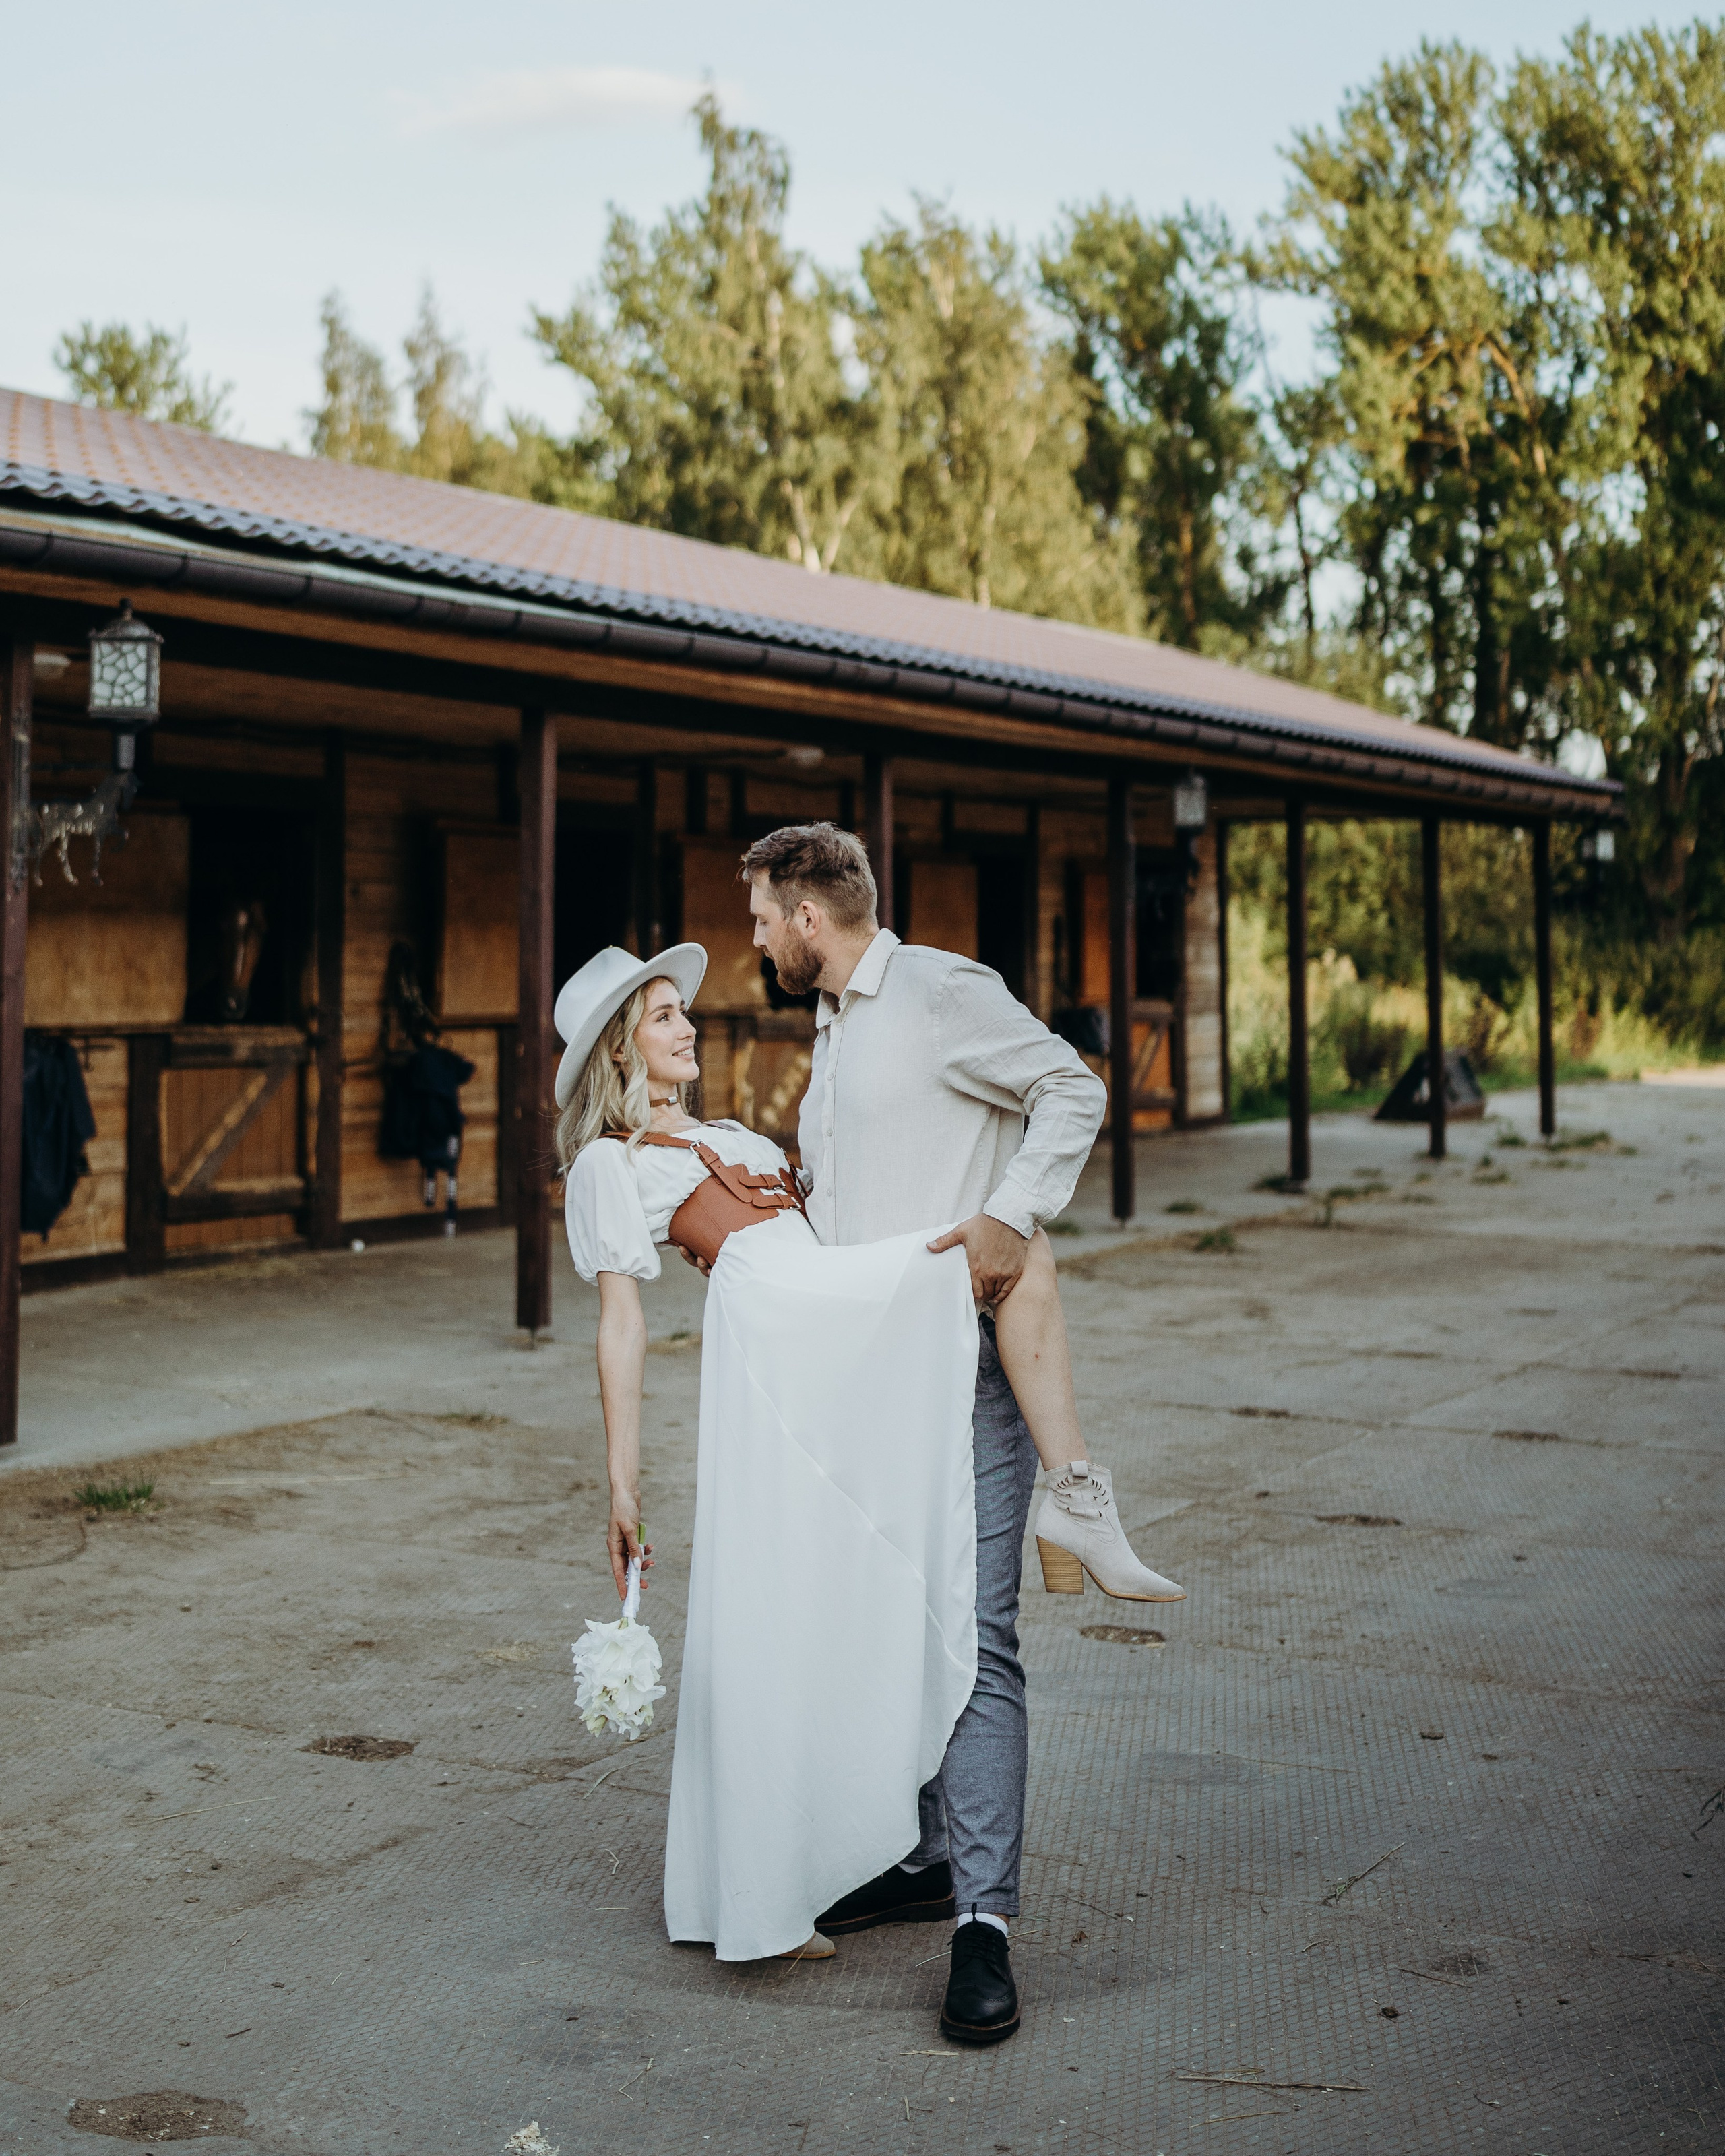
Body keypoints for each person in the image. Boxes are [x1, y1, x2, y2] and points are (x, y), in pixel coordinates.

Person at [553, 830, 1182, 2035]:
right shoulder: (817, 1044)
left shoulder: (938, 992)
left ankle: (983, 1927)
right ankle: (927, 1847)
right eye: (667, 1012)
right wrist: (622, 1484)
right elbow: (630, 1318)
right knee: (892, 1619)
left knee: (980, 1634)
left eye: (754, 921)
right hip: (839, 1358)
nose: (742, 950)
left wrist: (1005, 1206)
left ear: (804, 915)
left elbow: (1071, 1086)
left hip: (921, 1339)